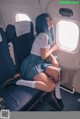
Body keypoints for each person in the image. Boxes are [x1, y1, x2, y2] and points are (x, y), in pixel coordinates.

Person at [4, 13, 64, 110]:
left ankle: (57, 96)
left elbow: (44, 51)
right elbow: (44, 56)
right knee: (50, 87)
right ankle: (19, 81)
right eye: (48, 20)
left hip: (38, 62)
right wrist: (54, 49)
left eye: (50, 19)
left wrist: (53, 57)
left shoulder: (45, 35)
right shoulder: (44, 36)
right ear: (43, 23)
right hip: (30, 64)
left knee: (56, 72)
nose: (51, 21)